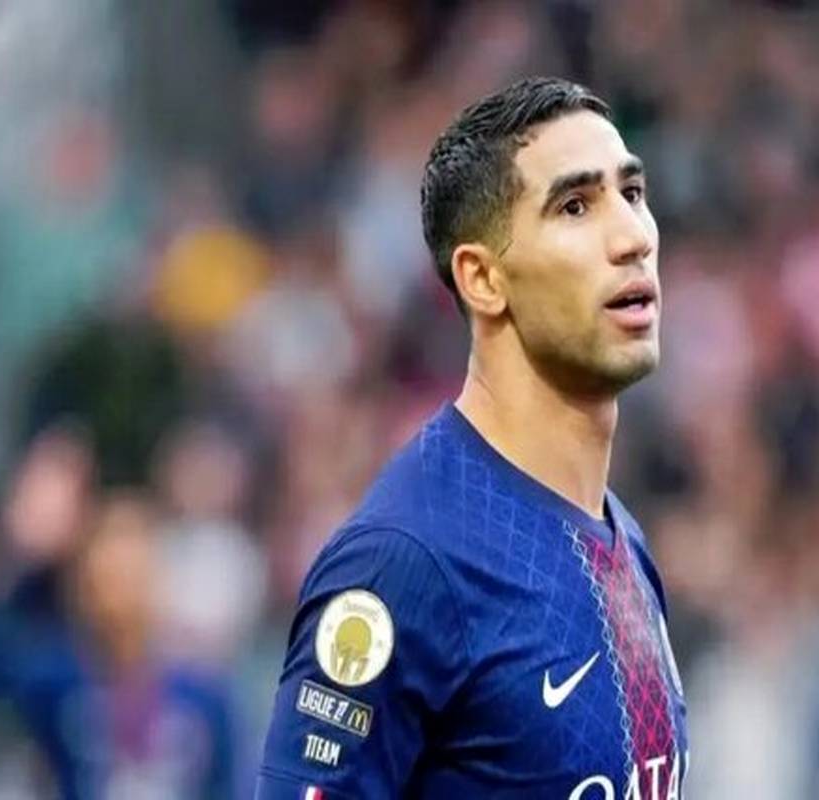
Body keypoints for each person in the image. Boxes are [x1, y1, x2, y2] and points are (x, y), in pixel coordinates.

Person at [256, 76, 689, 799]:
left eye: (633, 193)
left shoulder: (623, 540)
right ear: (483, 278)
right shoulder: (404, 564)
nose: (633, 237)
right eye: (575, 206)